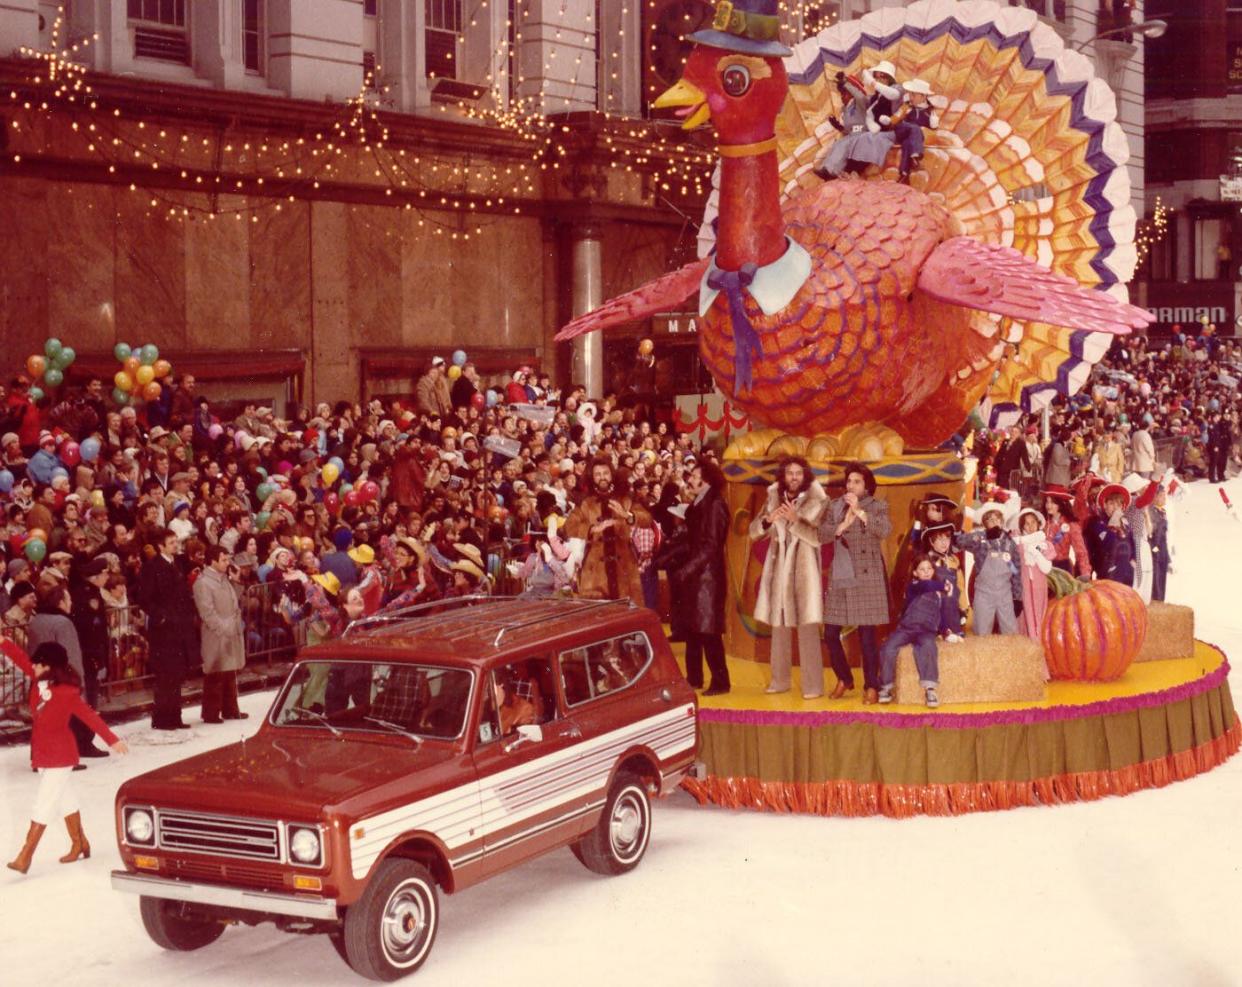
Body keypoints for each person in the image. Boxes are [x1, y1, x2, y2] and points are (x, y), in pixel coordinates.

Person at [2, 639, 128, 875]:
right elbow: (20, 657)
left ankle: (25, 856)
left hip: (61, 755)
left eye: (38, 664)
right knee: (64, 799)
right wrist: (2, 641)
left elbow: (90, 717)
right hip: (43, 754)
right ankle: (80, 843)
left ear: (49, 667)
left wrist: (113, 740)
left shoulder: (67, 692)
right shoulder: (38, 677)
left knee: (44, 802)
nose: (33, 667)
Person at [749, 457, 828, 697]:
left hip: (805, 574)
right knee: (779, 628)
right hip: (779, 572)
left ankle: (813, 686)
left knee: (807, 629)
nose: (793, 477)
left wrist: (795, 521)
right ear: (783, 476)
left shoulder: (819, 500)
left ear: (805, 476)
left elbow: (820, 537)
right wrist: (767, 520)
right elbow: (754, 532)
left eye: (798, 473)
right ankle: (779, 680)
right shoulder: (773, 497)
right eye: (789, 473)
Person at [821, 462, 892, 703]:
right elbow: (821, 534)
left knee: (867, 637)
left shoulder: (878, 506)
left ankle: (871, 685)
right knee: (830, 633)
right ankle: (845, 678)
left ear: (867, 486)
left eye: (857, 481)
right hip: (841, 575)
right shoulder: (834, 506)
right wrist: (840, 526)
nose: (851, 486)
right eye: (849, 481)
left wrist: (860, 513)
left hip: (866, 577)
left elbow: (884, 530)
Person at [669, 461, 730, 696]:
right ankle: (694, 678)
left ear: (705, 480)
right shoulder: (700, 503)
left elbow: (711, 546)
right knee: (694, 630)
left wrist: (688, 569)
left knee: (708, 632)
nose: (690, 479)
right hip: (698, 576)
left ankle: (721, 681)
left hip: (708, 579)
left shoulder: (715, 504)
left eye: (694, 475)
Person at [562, 458, 653, 607]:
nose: (602, 477)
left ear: (612, 474)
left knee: (626, 615)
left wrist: (627, 515)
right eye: (597, 474)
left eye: (605, 473)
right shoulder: (585, 502)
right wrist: (592, 529)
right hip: (595, 571)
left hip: (624, 566)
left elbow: (646, 518)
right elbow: (568, 527)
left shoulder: (626, 498)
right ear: (592, 477)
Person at [877, 554, 957, 708]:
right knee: (888, 647)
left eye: (929, 569)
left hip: (927, 631)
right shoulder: (914, 587)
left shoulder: (938, 594)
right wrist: (943, 586)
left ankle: (930, 689)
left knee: (929, 647)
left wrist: (946, 631)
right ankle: (886, 686)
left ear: (933, 570)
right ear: (915, 573)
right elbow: (925, 586)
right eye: (922, 569)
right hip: (907, 628)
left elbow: (941, 615)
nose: (926, 572)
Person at [139, 527, 196, 731]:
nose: (176, 545)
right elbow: (144, 598)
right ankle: (163, 718)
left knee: (177, 673)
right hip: (164, 630)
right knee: (165, 675)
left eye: (175, 541)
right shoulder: (151, 567)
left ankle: (175, 716)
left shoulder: (178, 563)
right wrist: (161, 617)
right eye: (171, 542)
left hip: (179, 627)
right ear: (160, 546)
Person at [194, 544, 248, 724]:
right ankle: (211, 712)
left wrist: (237, 581)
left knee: (229, 671)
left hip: (230, 630)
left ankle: (230, 709)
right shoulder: (203, 583)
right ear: (213, 561)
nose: (227, 563)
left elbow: (235, 601)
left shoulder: (224, 579)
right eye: (223, 560)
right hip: (216, 633)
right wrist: (223, 628)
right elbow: (207, 612)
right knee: (215, 672)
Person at [956, 492, 1021, 636]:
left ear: (1002, 520)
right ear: (985, 523)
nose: (994, 522)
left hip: (1005, 593)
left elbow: (1016, 571)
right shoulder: (979, 541)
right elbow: (959, 541)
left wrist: (1017, 597)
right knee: (981, 631)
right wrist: (980, 536)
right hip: (983, 594)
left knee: (1010, 631)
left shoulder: (1010, 544)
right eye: (990, 520)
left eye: (997, 518)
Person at [1011, 508, 1054, 647]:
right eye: (1026, 523)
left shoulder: (1045, 544)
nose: (1030, 526)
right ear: (1022, 526)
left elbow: (1046, 568)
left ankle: (1038, 647)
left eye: (1033, 522)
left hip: (1039, 587)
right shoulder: (1019, 545)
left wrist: (1036, 553)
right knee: (1025, 616)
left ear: (1038, 523)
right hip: (1023, 586)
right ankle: (1027, 648)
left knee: (1038, 616)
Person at [892, 77, 938, 184]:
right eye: (910, 94)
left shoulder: (930, 110)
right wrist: (903, 113)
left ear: (923, 96)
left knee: (908, 142)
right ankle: (916, 154)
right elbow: (894, 120)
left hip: (914, 138)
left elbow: (933, 130)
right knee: (914, 128)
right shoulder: (906, 106)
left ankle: (904, 173)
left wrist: (934, 125)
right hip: (902, 130)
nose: (910, 97)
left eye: (913, 94)